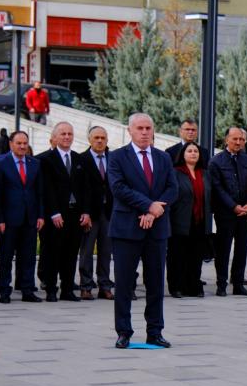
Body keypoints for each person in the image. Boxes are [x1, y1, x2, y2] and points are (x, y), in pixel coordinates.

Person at [107, 113, 178, 348]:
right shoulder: (117, 157)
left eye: (148, 128)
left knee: (156, 283)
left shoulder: (163, 157)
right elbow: (119, 188)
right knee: (124, 283)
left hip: (156, 229)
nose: (145, 132)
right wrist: (148, 205)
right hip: (126, 229)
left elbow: (172, 188)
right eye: (140, 128)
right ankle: (123, 331)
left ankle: (155, 331)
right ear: (130, 131)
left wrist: (153, 212)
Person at [37, 122, 94, 302]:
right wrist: (54, 212)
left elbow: (86, 189)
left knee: (71, 253)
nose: (67, 137)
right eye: (63, 134)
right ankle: (51, 289)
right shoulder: (46, 160)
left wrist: (86, 212)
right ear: (54, 137)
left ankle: (67, 289)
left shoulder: (80, 159)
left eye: (70, 133)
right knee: (53, 253)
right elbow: (46, 189)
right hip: (55, 215)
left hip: (75, 215)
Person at [0, 131, 44, 304]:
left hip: (30, 218)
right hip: (8, 219)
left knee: (29, 256)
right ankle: (4, 290)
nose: (22, 146)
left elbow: (39, 192)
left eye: (25, 143)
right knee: (6, 256)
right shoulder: (0, 162)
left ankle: (27, 290)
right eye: (19, 143)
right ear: (11, 144)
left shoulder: (34, 163)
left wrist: (40, 215)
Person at [209, 127, 247, 297]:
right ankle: (221, 284)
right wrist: (233, 206)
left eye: (241, 139)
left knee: (242, 250)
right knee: (223, 250)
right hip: (225, 213)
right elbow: (217, 188)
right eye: (235, 139)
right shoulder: (216, 161)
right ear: (226, 139)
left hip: (245, 213)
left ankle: (238, 284)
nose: (238, 142)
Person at [168, 143, 210, 298]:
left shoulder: (204, 173)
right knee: (178, 255)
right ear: (183, 154)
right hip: (180, 220)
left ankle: (194, 286)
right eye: (189, 151)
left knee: (196, 256)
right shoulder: (175, 173)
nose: (193, 153)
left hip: (199, 221)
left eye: (196, 151)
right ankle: (176, 287)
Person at [79, 126, 114, 300]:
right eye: (96, 138)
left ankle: (104, 286)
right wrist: (84, 212)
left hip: (109, 212)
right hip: (90, 214)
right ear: (89, 139)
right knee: (86, 251)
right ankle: (86, 286)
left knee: (106, 252)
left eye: (103, 138)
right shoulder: (81, 159)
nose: (100, 141)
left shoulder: (113, 158)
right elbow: (79, 189)